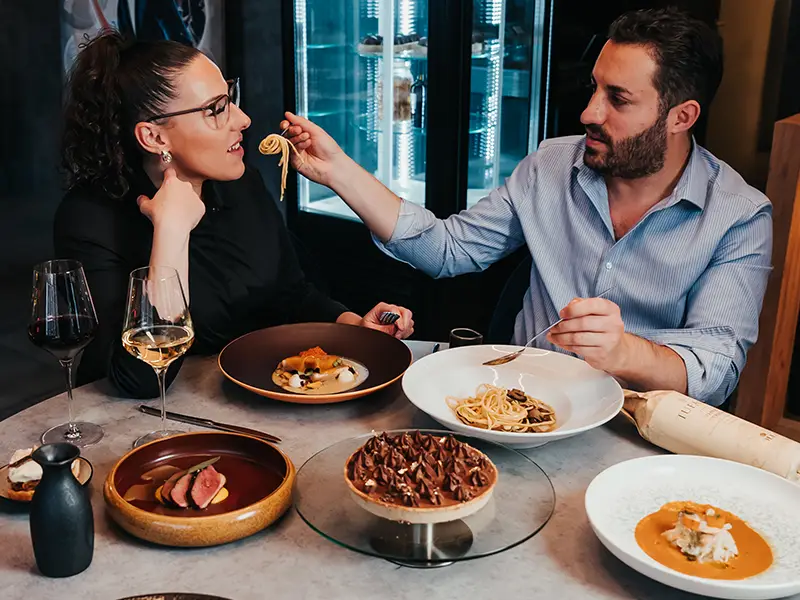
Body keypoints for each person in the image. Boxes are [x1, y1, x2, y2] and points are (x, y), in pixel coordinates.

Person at [278, 8, 773, 407]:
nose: (589, 112)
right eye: (594, 88)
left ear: (681, 117)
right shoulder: (551, 165)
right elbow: (445, 249)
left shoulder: (739, 217)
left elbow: (716, 369)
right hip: (513, 405)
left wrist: (624, 352)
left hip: (634, 430)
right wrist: (338, 171)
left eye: (618, 99)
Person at [55, 30, 413, 399]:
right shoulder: (90, 219)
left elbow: (292, 295)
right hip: (147, 420)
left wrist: (354, 326)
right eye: (216, 109)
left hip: (255, 401)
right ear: (154, 137)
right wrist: (172, 231)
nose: (242, 119)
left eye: (231, 99)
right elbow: (140, 380)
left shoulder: (240, 182)